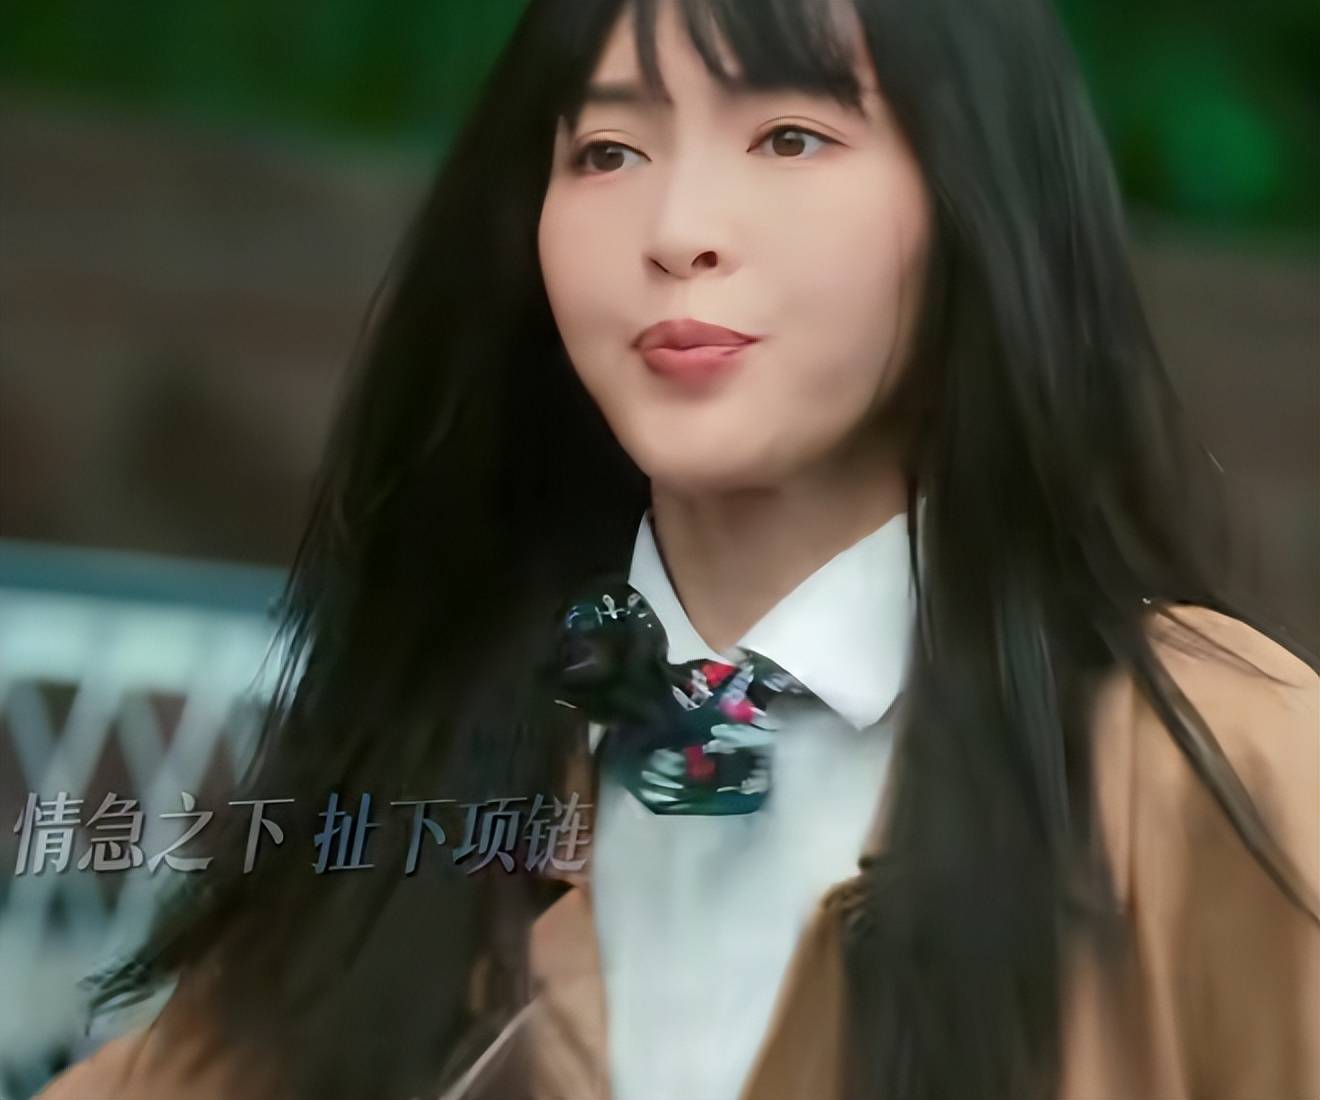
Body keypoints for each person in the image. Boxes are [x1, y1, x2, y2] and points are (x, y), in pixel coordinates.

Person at [38, 0, 1319, 1097]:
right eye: (607, 150)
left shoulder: (1215, 765)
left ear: (977, 198)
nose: (678, 226)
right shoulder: (443, 777)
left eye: (790, 136)